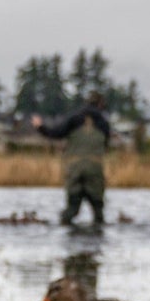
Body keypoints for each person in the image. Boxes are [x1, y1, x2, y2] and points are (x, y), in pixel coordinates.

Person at [31, 92, 110, 226]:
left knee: (72, 209)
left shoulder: (75, 118)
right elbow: (105, 145)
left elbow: (55, 133)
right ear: (101, 104)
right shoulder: (103, 122)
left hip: (75, 169)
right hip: (95, 169)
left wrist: (40, 127)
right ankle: (97, 238)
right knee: (98, 212)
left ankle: (67, 234)